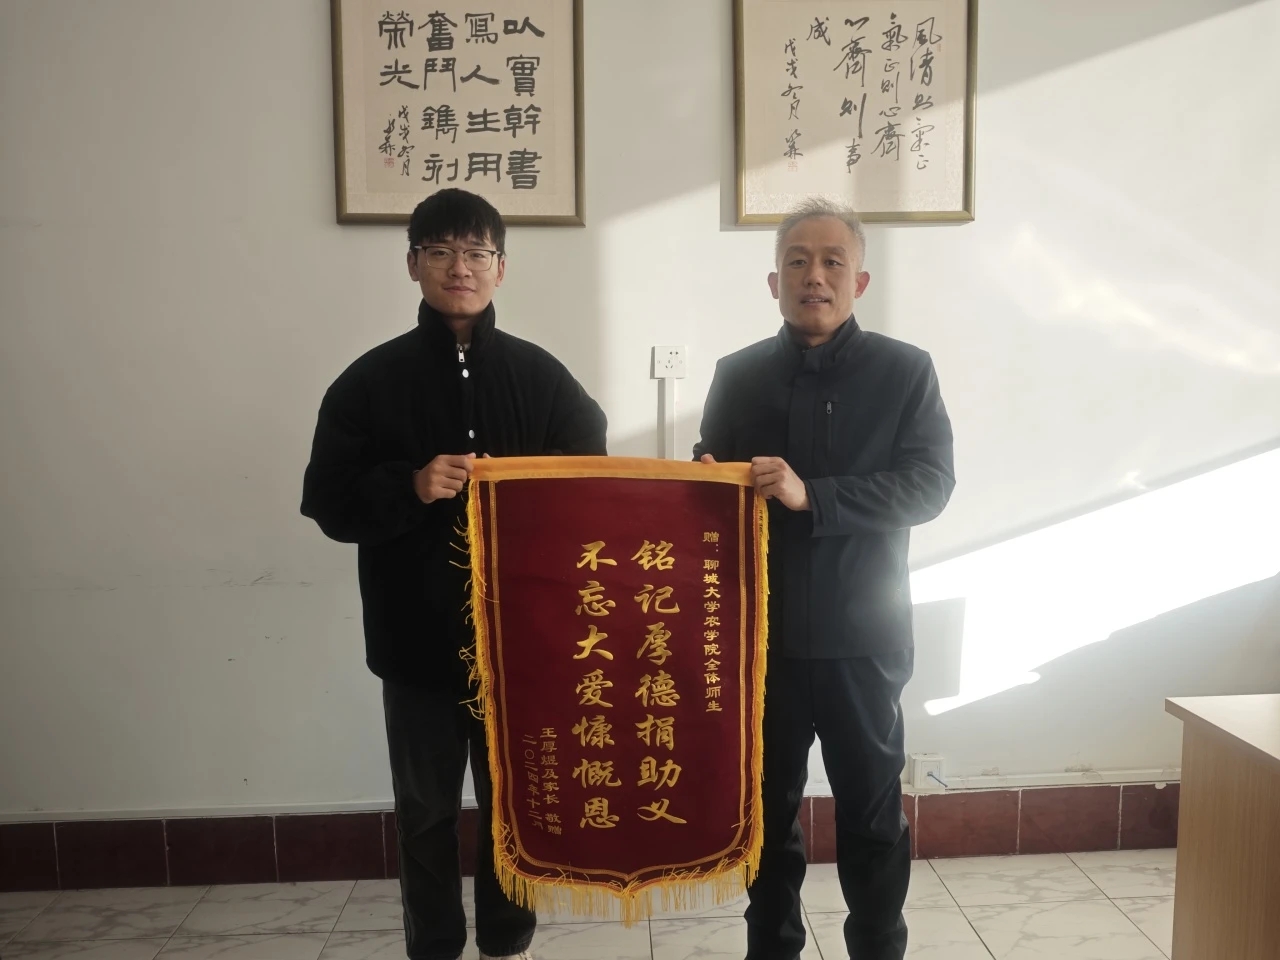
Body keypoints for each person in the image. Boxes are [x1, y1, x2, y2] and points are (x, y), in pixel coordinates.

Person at [301, 188, 607, 960]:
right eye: (440, 252)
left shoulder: (542, 378)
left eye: (475, 253)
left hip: (520, 645)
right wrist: (410, 485)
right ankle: (433, 943)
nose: (458, 268)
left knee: (516, 808)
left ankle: (507, 940)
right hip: (416, 643)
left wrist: (528, 486)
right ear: (413, 264)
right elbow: (327, 501)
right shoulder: (368, 382)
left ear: (502, 267)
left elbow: (594, 481)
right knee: (426, 812)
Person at [693, 198, 954, 959]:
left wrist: (816, 496)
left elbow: (929, 486)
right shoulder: (737, 374)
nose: (815, 276)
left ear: (859, 281)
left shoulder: (905, 371)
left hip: (862, 637)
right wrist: (703, 483)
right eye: (798, 262)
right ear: (774, 281)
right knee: (764, 817)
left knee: (871, 815)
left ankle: (877, 948)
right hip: (760, 639)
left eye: (833, 262)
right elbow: (711, 481)